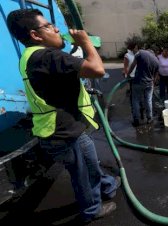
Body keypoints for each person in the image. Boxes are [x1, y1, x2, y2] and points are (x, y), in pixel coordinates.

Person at [6, 9, 120, 222]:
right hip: (63, 132)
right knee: (83, 173)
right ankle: (91, 210)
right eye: (49, 26)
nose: (57, 28)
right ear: (35, 35)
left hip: (63, 128)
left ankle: (108, 185)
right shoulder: (48, 56)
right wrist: (86, 42)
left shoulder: (29, 56)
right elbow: (97, 69)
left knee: (90, 163)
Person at [127, 47, 159, 127]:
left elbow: (133, 65)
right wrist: (153, 83)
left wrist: (128, 74)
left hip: (138, 81)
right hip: (149, 83)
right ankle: (149, 118)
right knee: (148, 100)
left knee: (136, 100)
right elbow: (156, 76)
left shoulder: (141, 53)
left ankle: (136, 120)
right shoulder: (156, 61)